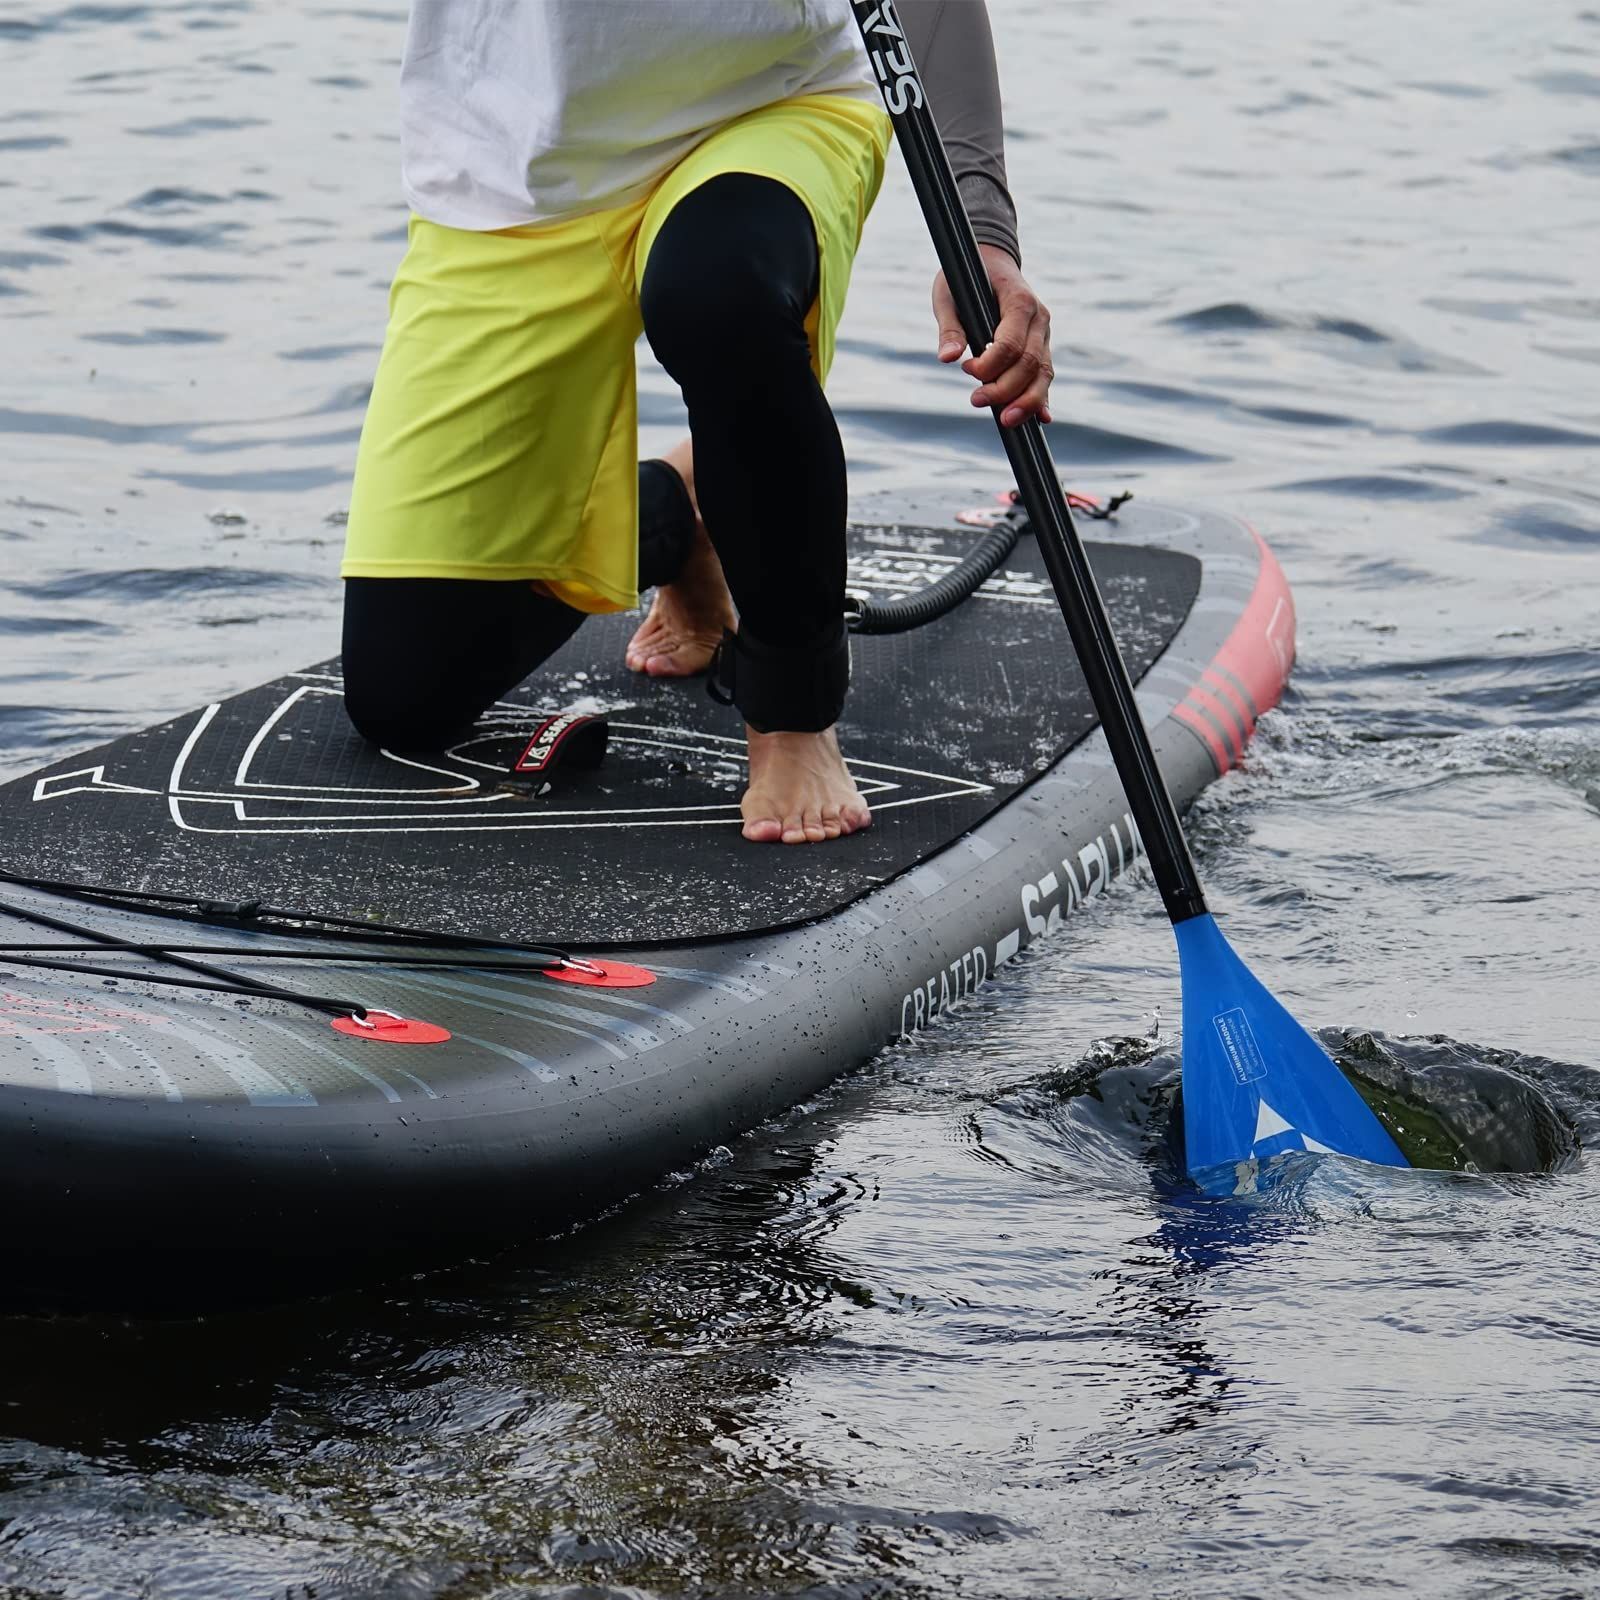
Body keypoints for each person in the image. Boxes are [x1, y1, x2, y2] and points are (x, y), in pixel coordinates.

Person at [340, 0, 1054, 845]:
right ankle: (685, 506)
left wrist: (979, 235)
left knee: (716, 288)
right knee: (405, 698)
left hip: (774, 102)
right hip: (510, 162)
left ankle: (792, 715)